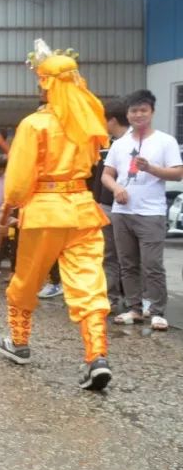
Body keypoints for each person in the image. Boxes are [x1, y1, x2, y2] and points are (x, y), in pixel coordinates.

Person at [0, 40, 113, 390]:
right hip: (82, 211)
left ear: (44, 83)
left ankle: (18, 342)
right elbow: (91, 165)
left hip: (44, 212)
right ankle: (96, 356)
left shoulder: (34, 125)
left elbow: (16, 185)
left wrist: (7, 211)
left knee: (28, 279)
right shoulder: (88, 120)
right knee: (89, 285)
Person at [101, 89, 183, 331]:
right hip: (122, 211)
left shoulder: (165, 141)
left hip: (151, 212)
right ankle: (135, 308)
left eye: (143, 110)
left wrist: (152, 169)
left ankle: (157, 311)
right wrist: (116, 189)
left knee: (152, 263)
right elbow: (107, 175)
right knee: (127, 263)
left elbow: (178, 172)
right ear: (128, 114)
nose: (138, 115)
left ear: (152, 112)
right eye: (134, 111)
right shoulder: (120, 144)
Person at [87, 100, 130, 312]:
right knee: (108, 255)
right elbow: (97, 178)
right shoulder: (105, 146)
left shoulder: (135, 144)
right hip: (104, 205)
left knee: (130, 256)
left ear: (112, 120)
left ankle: (134, 301)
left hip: (128, 207)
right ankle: (111, 298)